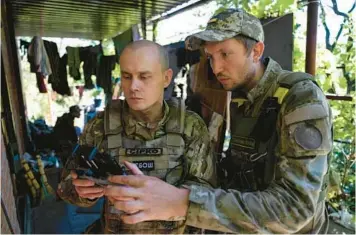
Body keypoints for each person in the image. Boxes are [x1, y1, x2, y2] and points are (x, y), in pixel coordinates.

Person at [104, 9, 333, 234]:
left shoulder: (299, 97)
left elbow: (295, 209)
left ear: (256, 51)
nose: (216, 68)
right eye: (211, 57)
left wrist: (183, 202)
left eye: (225, 54)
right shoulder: (242, 97)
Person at [57, 40, 216, 234]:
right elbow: (66, 187)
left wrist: (170, 195)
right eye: (126, 76)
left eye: (144, 76)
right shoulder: (100, 126)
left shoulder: (190, 127)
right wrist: (83, 192)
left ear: (166, 78)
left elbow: (209, 196)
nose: (133, 86)